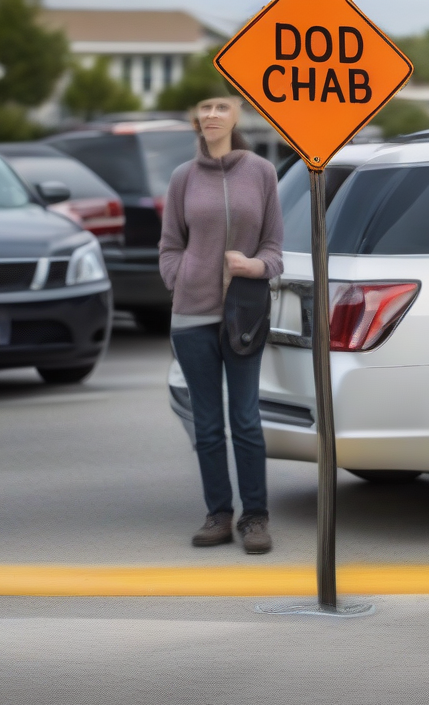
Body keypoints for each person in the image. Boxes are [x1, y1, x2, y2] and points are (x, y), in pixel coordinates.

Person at [158, 96, 284, 554]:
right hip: (192, 316)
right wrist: (181, 280)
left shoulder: (261, 172)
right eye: (204, 109)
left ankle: (255, 518)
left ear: (236, 117)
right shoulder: (182, 178)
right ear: (196, 120)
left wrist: (252, 266)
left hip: (244, 315)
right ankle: (218, 513)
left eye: (221, 107)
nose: (211, 115)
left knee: (246, 419)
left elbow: (274, 249)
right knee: (207, 424)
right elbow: (169, 245)